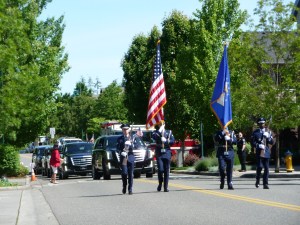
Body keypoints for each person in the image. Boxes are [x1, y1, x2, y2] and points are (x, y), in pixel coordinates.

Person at [152, 123, 175, 192]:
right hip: (159, 153)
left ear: (164, 124)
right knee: (160, 170)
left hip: (167, 152)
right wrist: (160, 130)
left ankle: (165, 187)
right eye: (160, 124)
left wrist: (167, 141)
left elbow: (173, 141)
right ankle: (160, 184)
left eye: (162, 124)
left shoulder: (169, 132)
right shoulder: (155, 132)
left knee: (166, 171)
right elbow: (154, 137)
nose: (161, 125)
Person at [251, 117, 274, 189]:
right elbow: (252, 142)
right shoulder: (255, 132)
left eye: (263, 123)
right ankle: (257, 180)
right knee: (260, 167)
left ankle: (265, 184)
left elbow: (272, 142)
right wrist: (258, 145)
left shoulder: (268, 131)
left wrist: (269, 137)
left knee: (266, 168)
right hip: (259, 151)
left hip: (266, 151)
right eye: (260, 123)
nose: (262, 124)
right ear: (258, 124)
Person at [117, 123, 135, 195]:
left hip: (130, 157)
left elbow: (136, 146)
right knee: (124, 173)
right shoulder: (120, 139)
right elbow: (117, 148)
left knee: (131, 174)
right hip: (124, 157)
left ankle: (130, 189)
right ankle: (124, 186)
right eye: (124, 129)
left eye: (127, 129)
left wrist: (131, 144)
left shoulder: (133, 138)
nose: (125, 131)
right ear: (122, 130)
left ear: (129, 129)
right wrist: (121, 152)